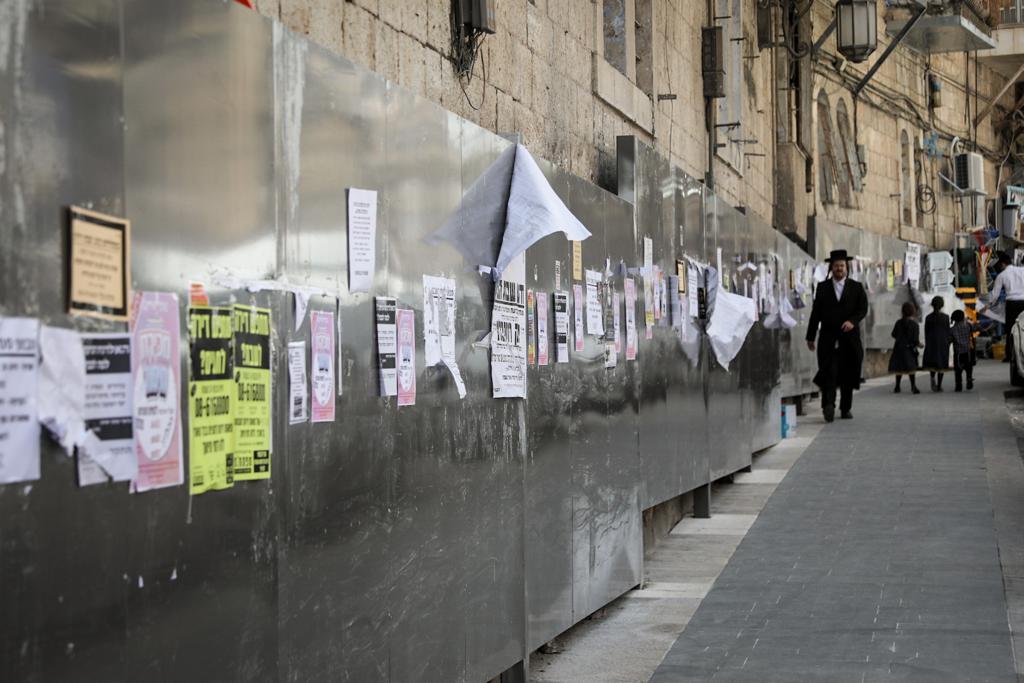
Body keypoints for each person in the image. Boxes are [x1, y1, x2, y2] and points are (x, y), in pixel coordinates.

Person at [806, 249, 869, 422]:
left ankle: (845, 408)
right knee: (829, 373)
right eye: (836, 266)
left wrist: (852, 321)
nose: (839, 269)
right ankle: (828, 405)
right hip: (828, 339)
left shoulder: (856, 288)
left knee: (848, 374)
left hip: (850, 339)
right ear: (831, 268)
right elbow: (816, 313)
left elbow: (863, 308)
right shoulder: (823, 287)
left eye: (842, 265)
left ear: (846, 267)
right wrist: (810, 336)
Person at [889, 301, 922, 394]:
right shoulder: (914, 325)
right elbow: (915, 340)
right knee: (911, 369)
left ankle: (897, 386)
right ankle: (913, 386)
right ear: (913, 312)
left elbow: (893, 334)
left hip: (898, 348)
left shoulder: (898, 322)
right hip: (909, 349)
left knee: (899, 368)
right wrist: (920, 345)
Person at [921, 296, 951, 392]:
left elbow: (926, 331)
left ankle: (932, 377)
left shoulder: (928, 318)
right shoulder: (946, 317)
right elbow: (947, 331)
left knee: (932, 363)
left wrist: (928, 342)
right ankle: (939, 385)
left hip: (931, 342)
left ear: (932, 305)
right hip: (943, 343)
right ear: (942, 305)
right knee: (941, 364)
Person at [949, 309, 976, 392]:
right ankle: (969, 379)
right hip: (968, 351)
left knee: (958, 371)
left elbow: (949, 340)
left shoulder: (952, 329)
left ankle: (958, 385)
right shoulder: (968, 326)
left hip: (958, 353)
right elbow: (973, 333)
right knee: (969, 367)